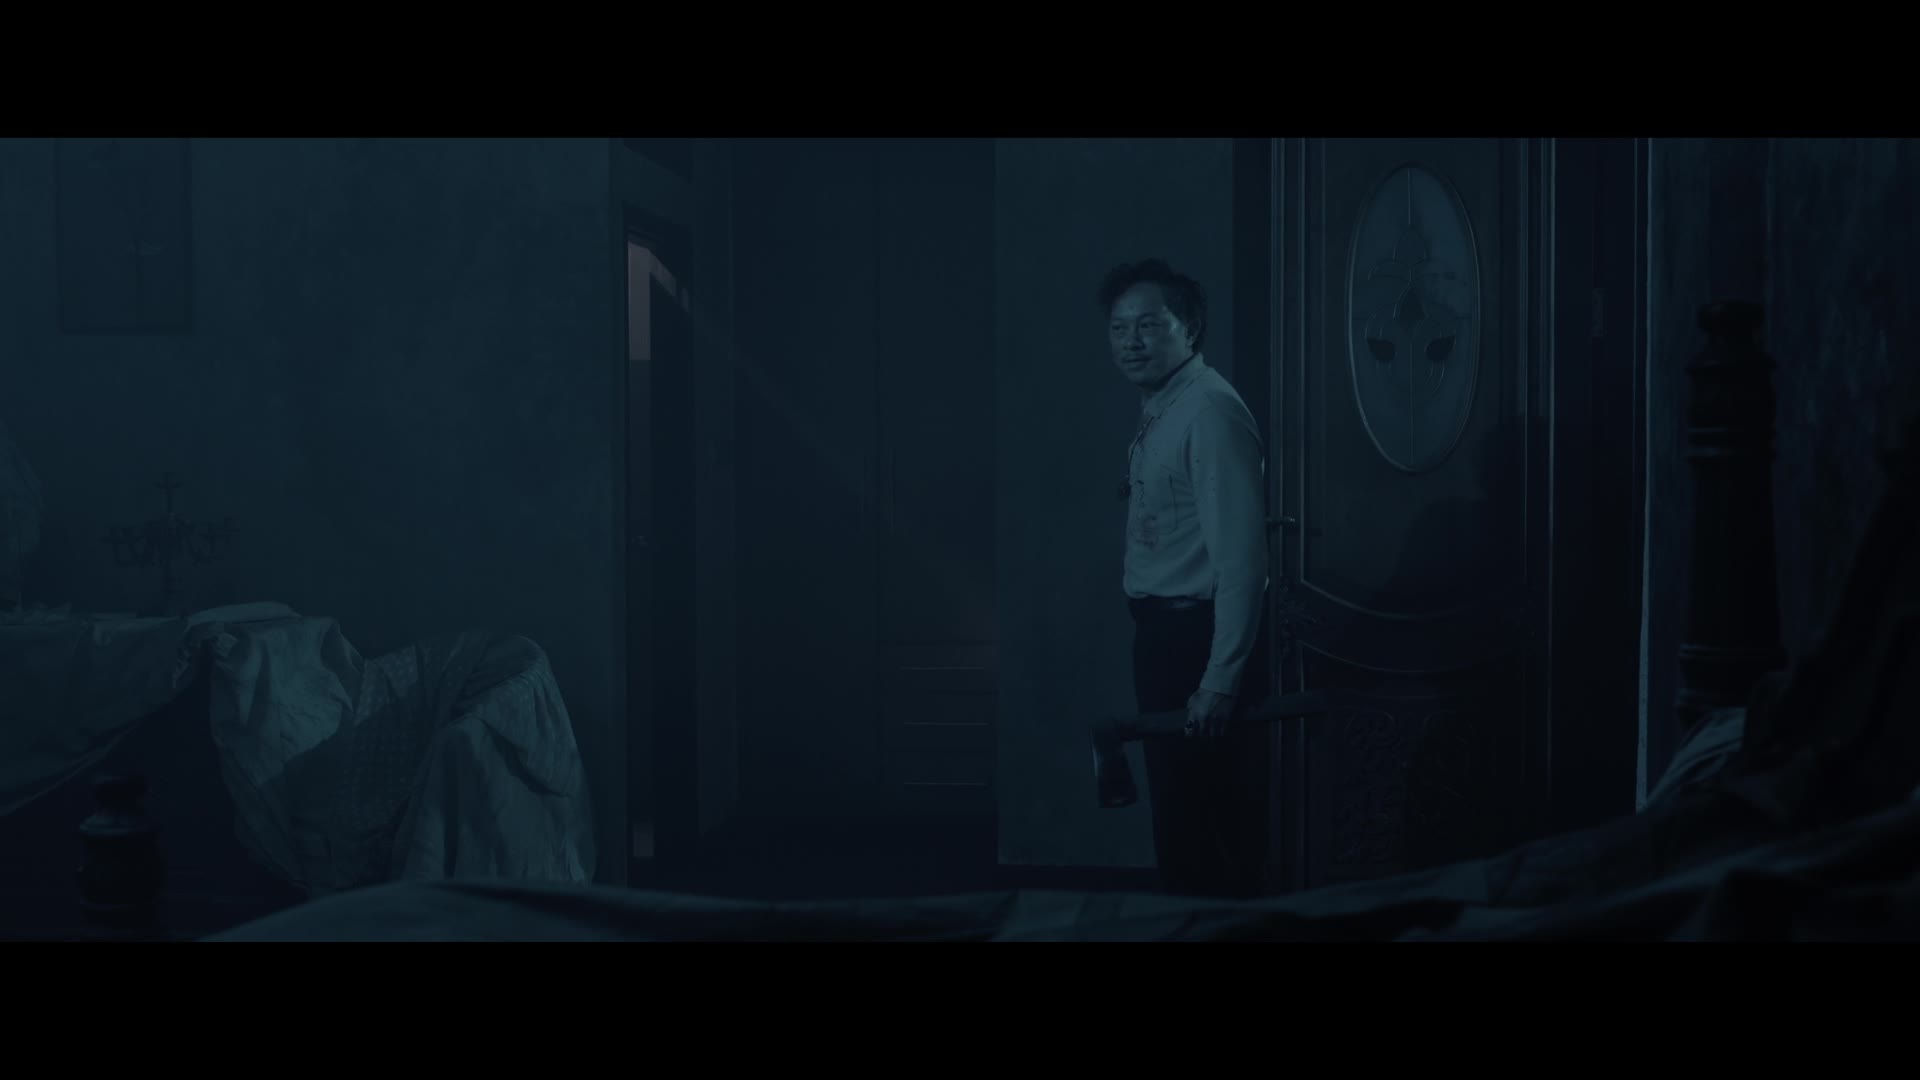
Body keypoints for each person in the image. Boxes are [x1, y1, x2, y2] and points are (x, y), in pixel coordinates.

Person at [1103, 258, 1269, 898]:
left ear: (1191, 329)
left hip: (1195, 640)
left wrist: (1219, 680)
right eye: (1119, 328)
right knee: (1179, 819)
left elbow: (1242, 559)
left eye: (1149, 325)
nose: (1131, 342)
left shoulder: (1208, 411)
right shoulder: (1165, 405)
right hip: (1163, 637)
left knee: (1208, 824)